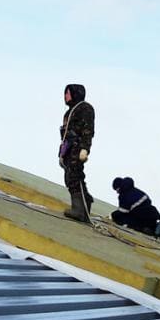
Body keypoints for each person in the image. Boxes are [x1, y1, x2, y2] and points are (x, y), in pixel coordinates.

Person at [58, 83, 95, 222]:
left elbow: (88, 130)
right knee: (70, 176)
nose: (65, 96)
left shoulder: (85, 108)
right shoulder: (69, 112)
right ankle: (83, 206)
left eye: (68, 93)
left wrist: (85, 148)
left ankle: (80, 209)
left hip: (77, 147)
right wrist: (61, 153)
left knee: (75, 175)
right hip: (68, 148)